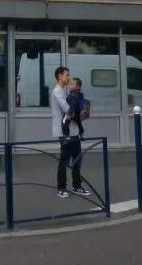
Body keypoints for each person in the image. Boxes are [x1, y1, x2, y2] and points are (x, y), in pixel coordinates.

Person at [51, 67, 90, 199]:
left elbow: (74, 110)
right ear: (60, 76)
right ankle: (61, 188)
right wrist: (81, 111)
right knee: (64, 160)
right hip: (64, 131)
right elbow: (68, 109)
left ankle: (76, 185)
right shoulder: (57, 92)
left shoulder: (65, 92)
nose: (69, 78)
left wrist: (83, 111)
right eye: (67, 75)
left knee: (77, 159)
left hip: (73, 130)